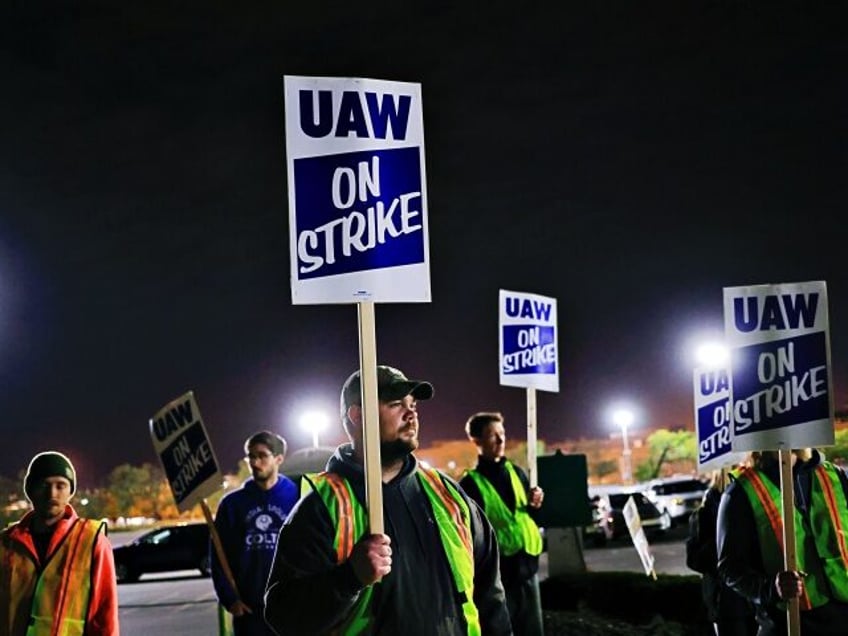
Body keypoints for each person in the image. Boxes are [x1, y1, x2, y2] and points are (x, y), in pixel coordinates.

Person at [264, 365, 512, 635]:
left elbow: (490, 595)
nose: (411, 414)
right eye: (396, 404)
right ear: (357, 415)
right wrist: (349, 578)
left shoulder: (448, 493)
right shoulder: (322, 507)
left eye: (413, 404)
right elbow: (283, 616)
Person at [717, 448, 848, 635]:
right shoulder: (740, 491)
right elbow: (730, 567)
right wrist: (771, 588)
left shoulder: (833, 475)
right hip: (789, 623)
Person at [0, 450, 119, 635]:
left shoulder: (92, 542)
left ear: (70, 491)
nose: (52, 493)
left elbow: (105, 614)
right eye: (44, 485)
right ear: (30, 490)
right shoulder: (6, 544)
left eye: (60, 485)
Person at [460, 412, 544, 636]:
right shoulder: (470, 485)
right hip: (499, 574)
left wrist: (536, 504)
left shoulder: (516, 472)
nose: (500, 440)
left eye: (502, 433)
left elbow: (529, 517)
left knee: (534, 629)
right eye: (492, 435)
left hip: (528, 565)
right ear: (476, 441)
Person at [212, 431, 299, 636]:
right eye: (250, 456)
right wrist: (230, 599)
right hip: (250, 611)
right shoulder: (232, 504)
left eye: (262, 455)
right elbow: (218, 554)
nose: (255, 462)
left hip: (291, 608)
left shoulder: (298, 497)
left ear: (278, 458)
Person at [686, 467, 756, 636]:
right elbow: (695, 559)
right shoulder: (705, 514)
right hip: (728, 602)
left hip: (754, 597)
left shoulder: (750, 503)